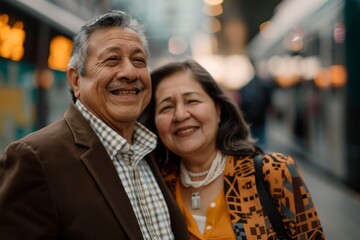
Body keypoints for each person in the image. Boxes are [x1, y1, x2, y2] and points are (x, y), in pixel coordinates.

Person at [0, 10, 189, 239]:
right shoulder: (35, 158)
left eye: (138, 60)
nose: (130, 72)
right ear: (76, 80)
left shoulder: (157, 151)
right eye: (112, 60)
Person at [140, 60, 325, 239]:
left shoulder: (274, 172)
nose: (180, 114)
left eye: (192, 101)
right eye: (166, 107)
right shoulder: (158, 187)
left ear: (218, 110)